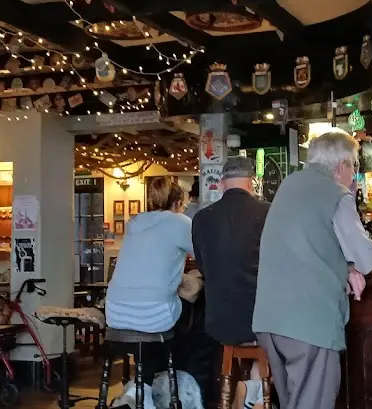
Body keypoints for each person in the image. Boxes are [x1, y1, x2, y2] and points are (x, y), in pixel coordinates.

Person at [253, 131, 372, 409]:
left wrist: (345, 265)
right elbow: (367, 257)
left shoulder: (289, 184)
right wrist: (352, 263)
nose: (354, 174)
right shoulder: (336, 193)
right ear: (341, 166)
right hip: (308, 323)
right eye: (354, 166)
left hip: (269, 321)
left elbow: (307, 242)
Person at [191, 157, 271, 409]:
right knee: (292, 337)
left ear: (222, 183)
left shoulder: (202, 219)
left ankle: (252, 387)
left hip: (219, 323)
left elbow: (203, 268)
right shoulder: (270, 212)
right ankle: (257, 387)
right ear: (252, 182)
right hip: (261, 321)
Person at [106, 177, 193, 381]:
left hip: (115, 312)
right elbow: (204, 252)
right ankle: (172, 383)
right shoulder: (180, 221)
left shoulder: (134, 222)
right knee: (191, 313)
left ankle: (142, 387)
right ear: (178, 203)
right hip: (153, 317)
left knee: (152, 318)